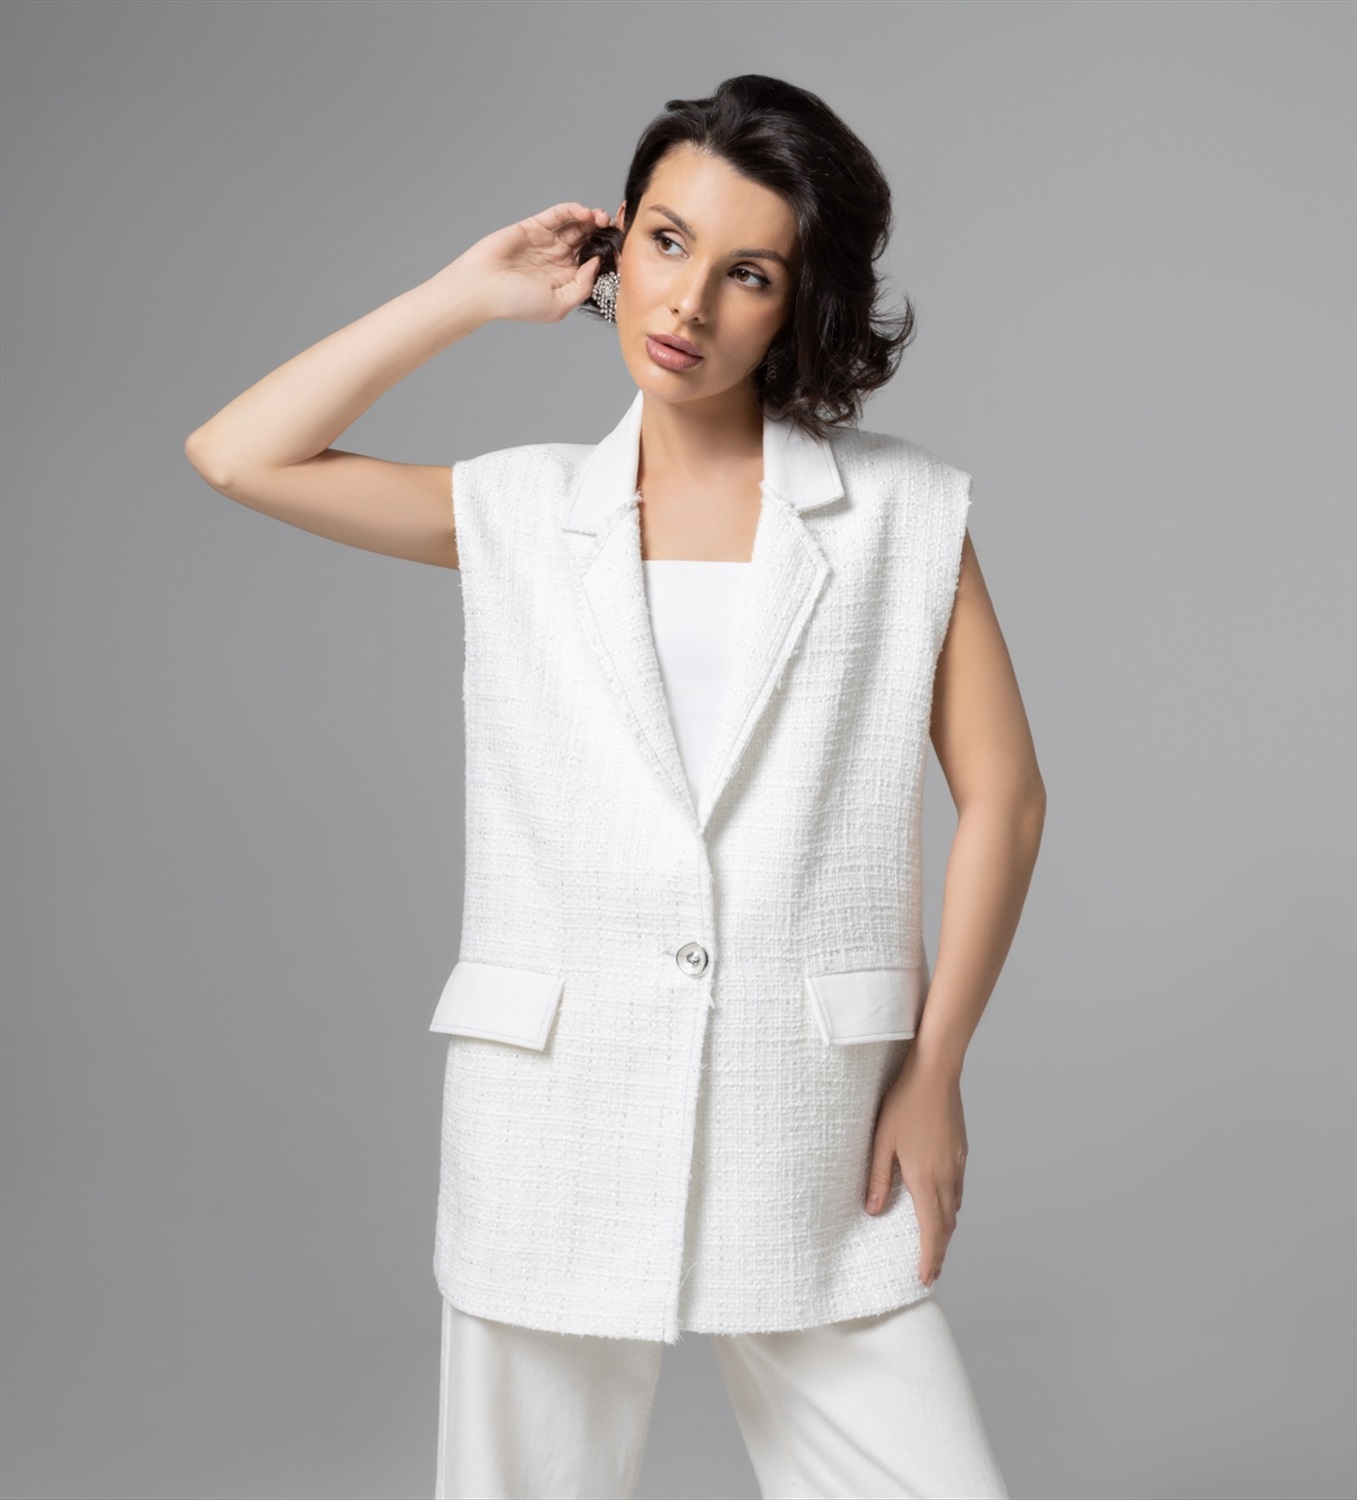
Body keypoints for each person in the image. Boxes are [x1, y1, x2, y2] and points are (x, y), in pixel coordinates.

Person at [186, 73, 1045, 1500]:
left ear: (801, 304)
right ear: (616, 244)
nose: (688, 302)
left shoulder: (905, 514)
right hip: (553, 1109)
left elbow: (1006, 800)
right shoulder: (519, 512)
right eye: (665, 239)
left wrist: (937, 1067)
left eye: (748, 272)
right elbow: (235, 453)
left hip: (815, 1115)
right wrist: (466, 294)